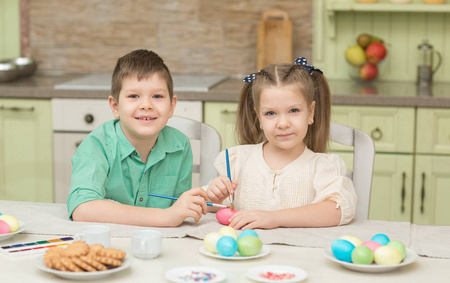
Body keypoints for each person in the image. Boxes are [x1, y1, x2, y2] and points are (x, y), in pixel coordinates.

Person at [206, 57, 358, 230]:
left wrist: (274, 218)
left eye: (294, 111)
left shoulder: (323, 167)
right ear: (259, 118)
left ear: (310, 112)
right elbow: (207, 205)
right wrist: (214, 198)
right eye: (271, 113)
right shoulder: (237, 160)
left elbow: (337, 210)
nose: (283, 123)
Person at [67, 49, 208, 227]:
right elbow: (83, 208)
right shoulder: (97, 145)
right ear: (115, 106)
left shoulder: (181, 145)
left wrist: (208, 201)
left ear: (172, 106)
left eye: (157, 96)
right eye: (134, 96)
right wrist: (165, 217)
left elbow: (178, 207)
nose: (146, 105)